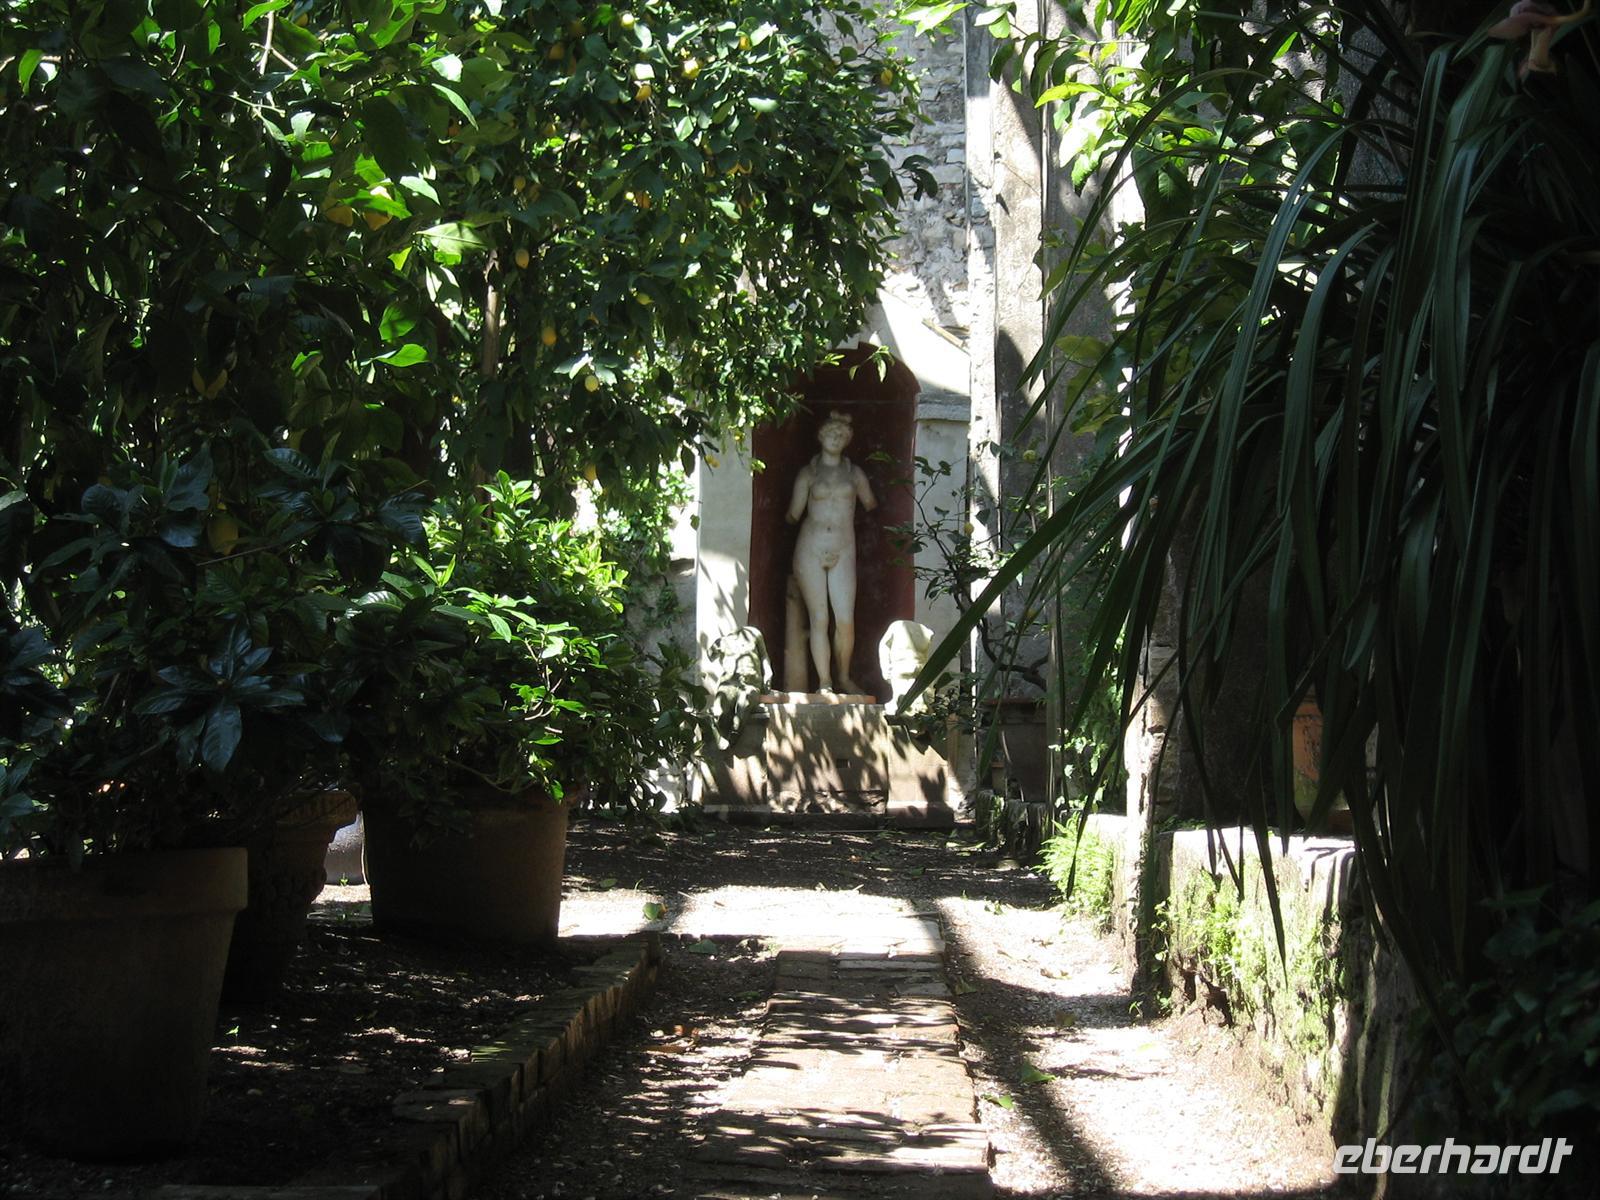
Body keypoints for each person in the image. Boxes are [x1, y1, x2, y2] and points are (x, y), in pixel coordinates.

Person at [786, 411, 877, 693]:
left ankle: (844, 676)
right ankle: (825, 681)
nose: (836, 438)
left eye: (841, 434)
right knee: (820, 619)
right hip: (811, 548)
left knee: (845, 620)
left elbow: (870, 503)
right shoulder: (808, 473)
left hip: (843, 548)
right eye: (831, 433)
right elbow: (793, 514)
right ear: (821, 436)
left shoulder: (854, 474)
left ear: (847, 439)